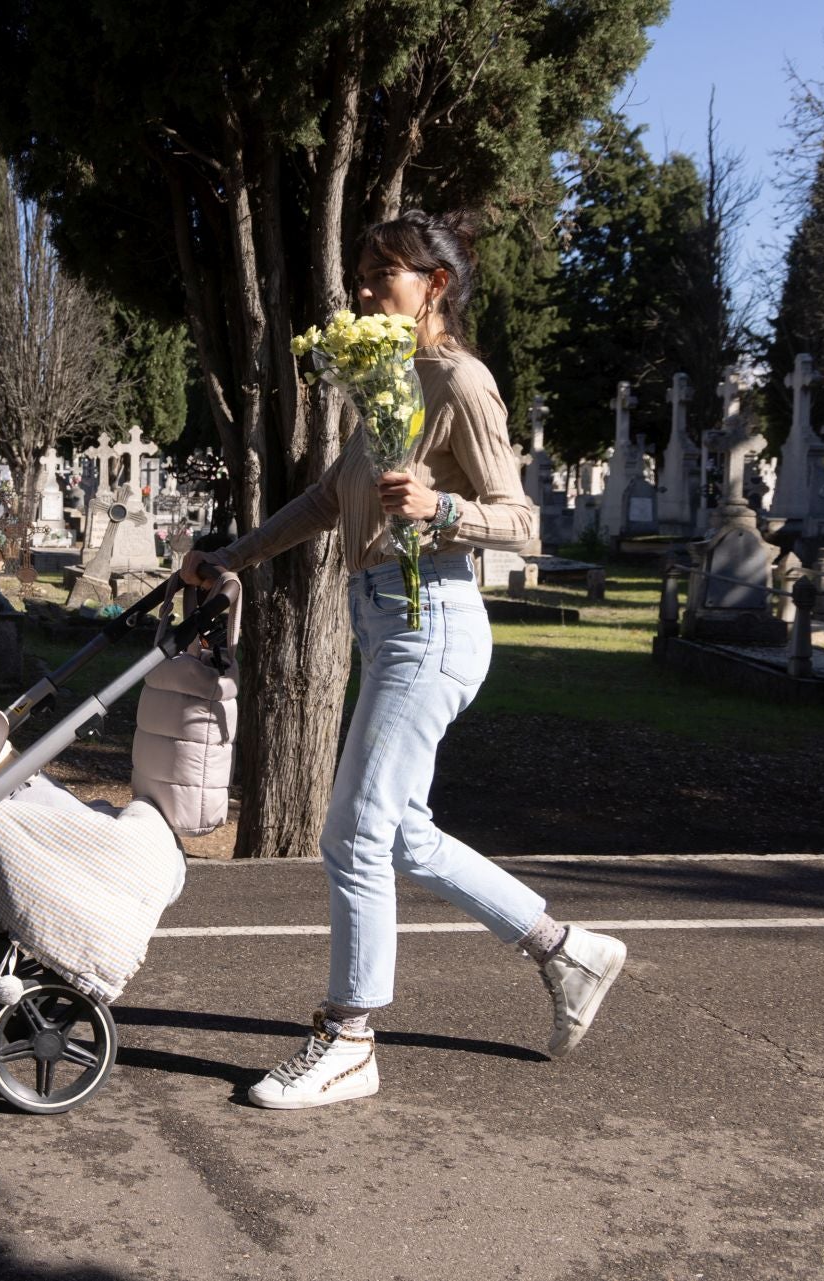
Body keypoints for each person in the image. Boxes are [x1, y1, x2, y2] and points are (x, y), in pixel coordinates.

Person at [182, 208, 626, 1110]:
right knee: (400, 830)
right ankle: (565, 950)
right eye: (361, 273)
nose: (364, 288)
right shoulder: (385, 382)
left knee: (351, 831)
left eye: (384, 273)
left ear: (436, 285)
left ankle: (349, 1036)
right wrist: (230, 557)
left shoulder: (460, 382)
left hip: (436, 624)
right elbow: (325, 501)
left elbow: (524, 524)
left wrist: (442, 508)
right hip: (383, 622)